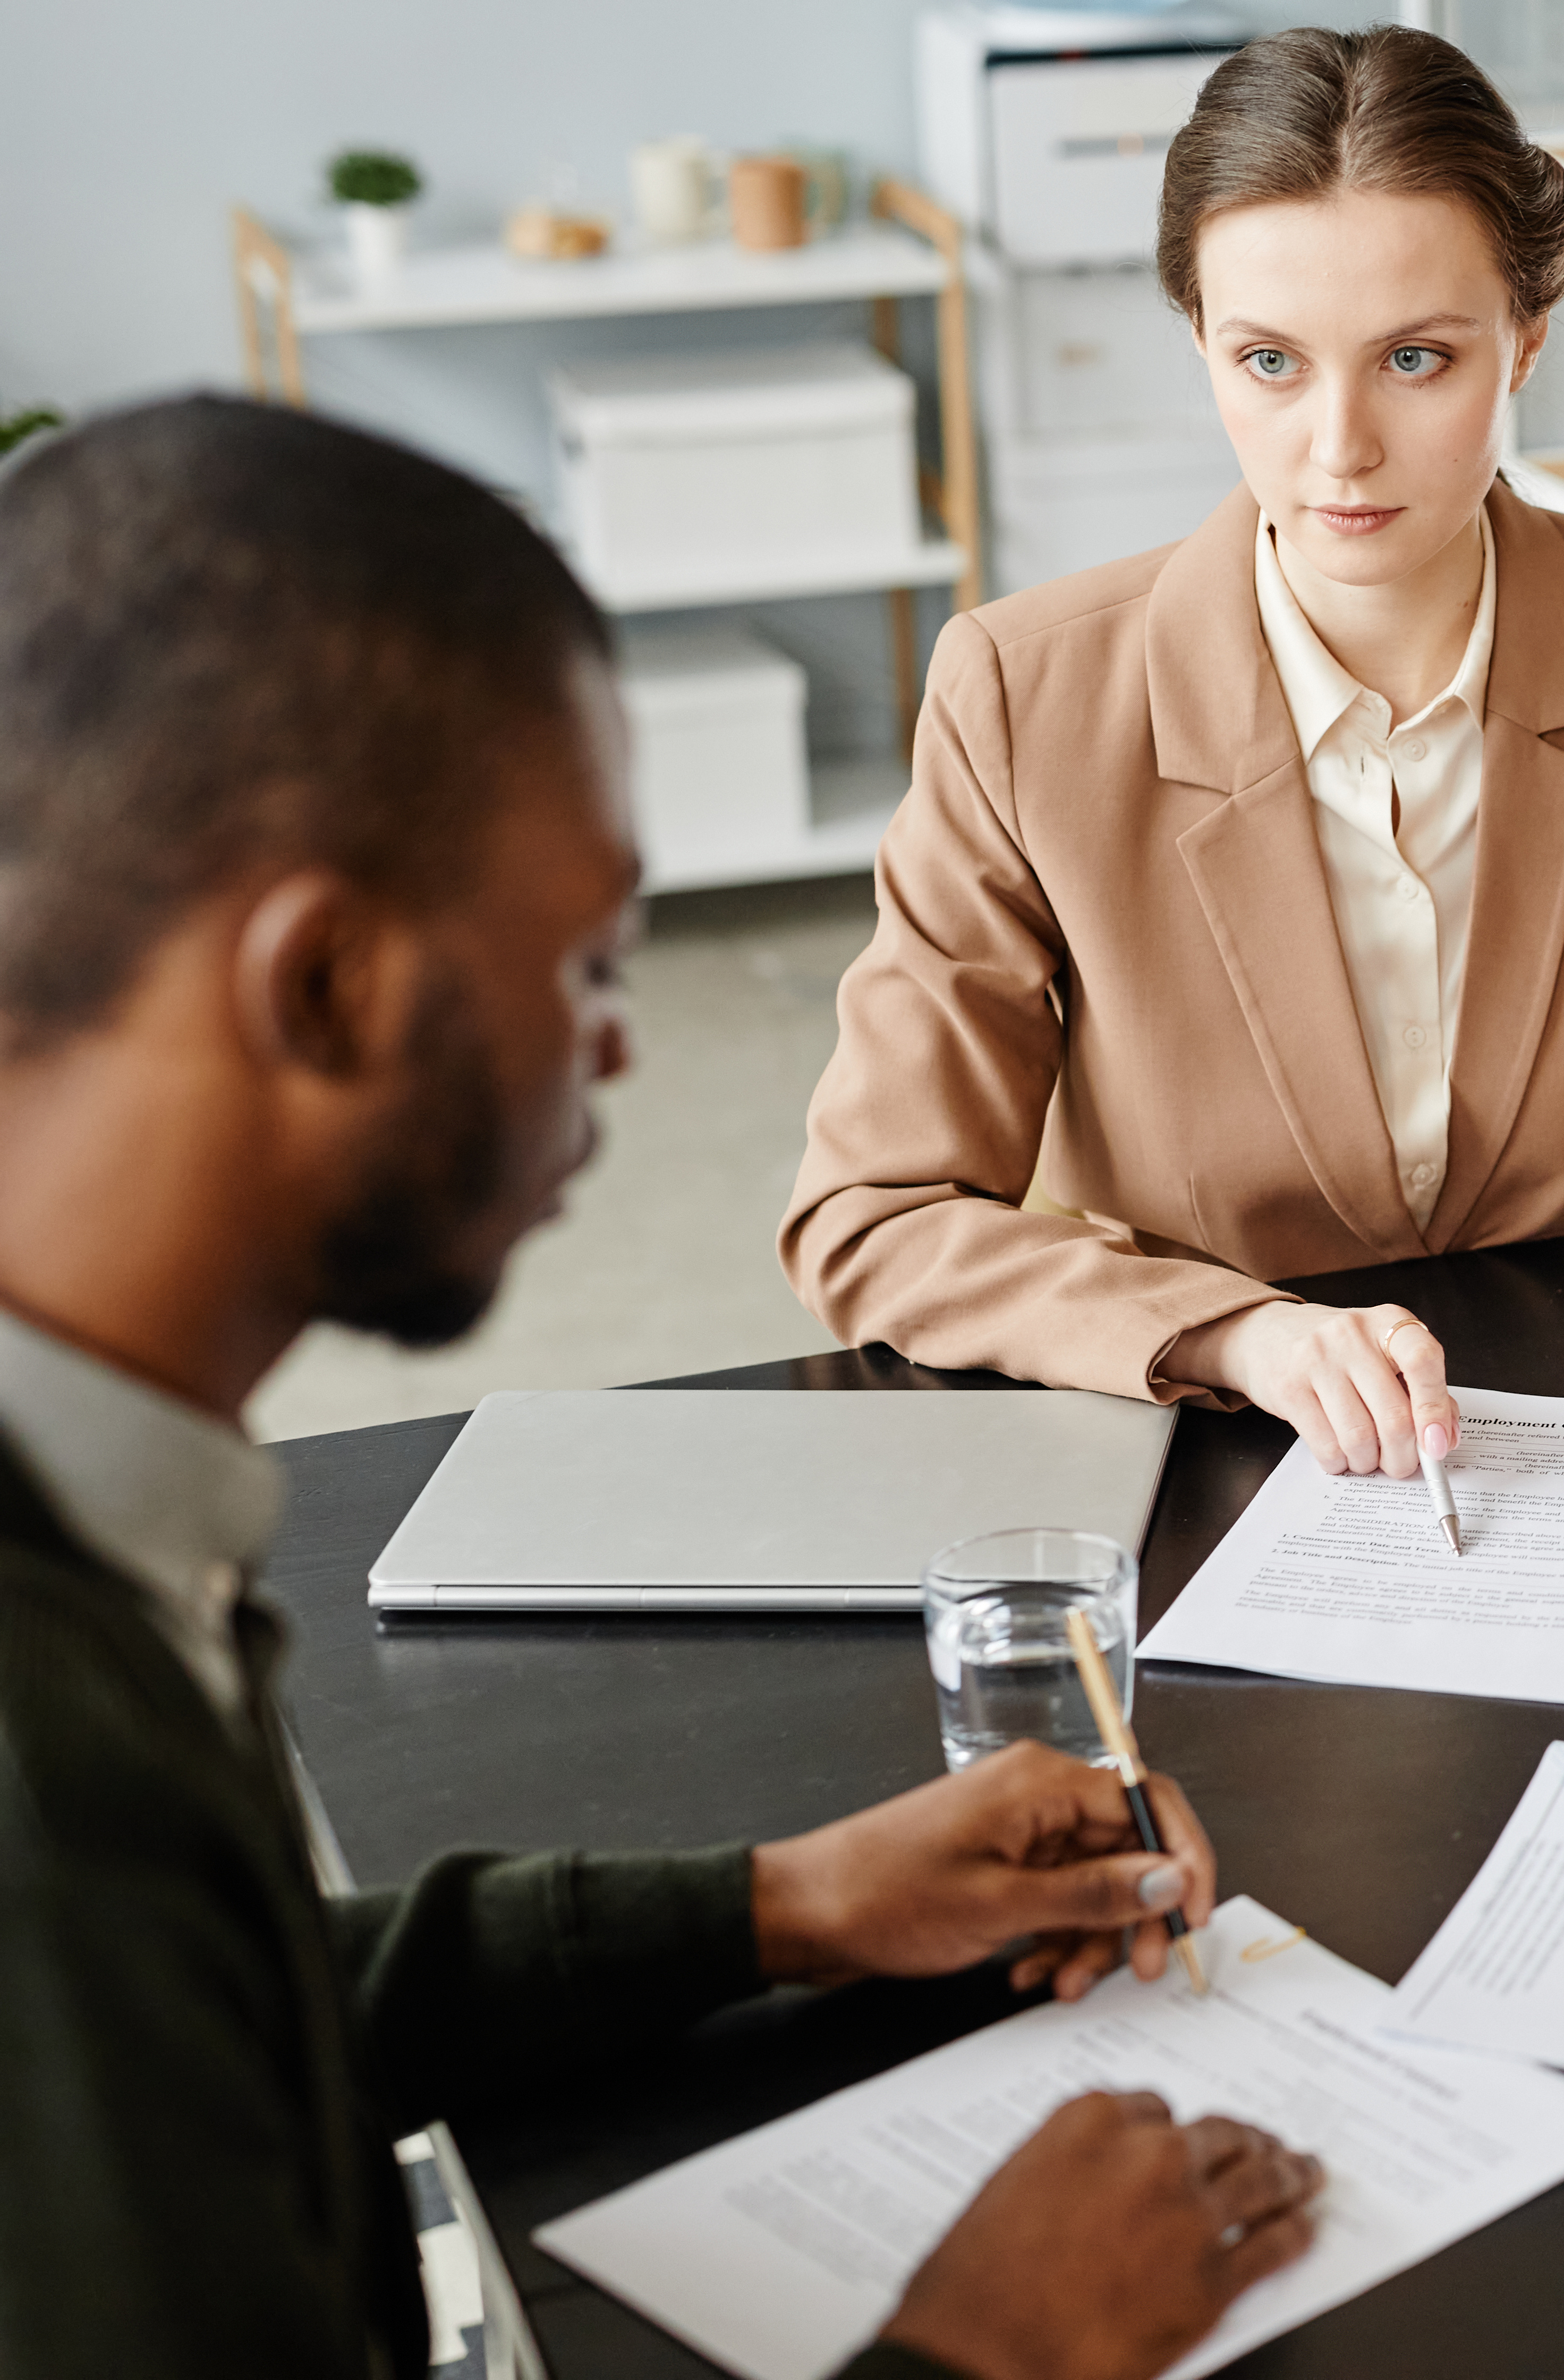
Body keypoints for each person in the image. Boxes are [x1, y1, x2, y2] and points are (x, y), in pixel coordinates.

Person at [0, 397, 1322, 2379]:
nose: (618, 1056)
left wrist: (780, 1907)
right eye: (589, 963)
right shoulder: (42, 1757)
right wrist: (971, 2358)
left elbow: (205, 2017)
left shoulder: (97, 1514)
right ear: (327, 985)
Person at [783, 24, 1564, 1482]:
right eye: (1268, 360)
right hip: (1214, 1448)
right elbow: (877, 1211)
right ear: (1200, 338)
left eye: (1416, 359)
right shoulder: (1025, 696)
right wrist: (1230, 1335)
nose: (1338, 446)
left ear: (1526, 338)